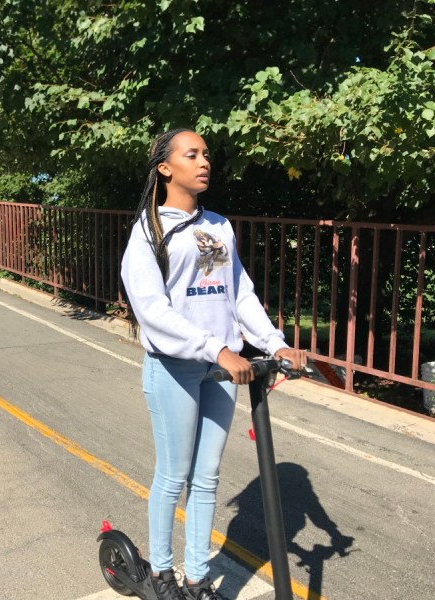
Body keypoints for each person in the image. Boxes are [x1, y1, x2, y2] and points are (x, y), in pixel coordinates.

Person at [120, 129, 305, 600]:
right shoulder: (148, 230)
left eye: (207, 154)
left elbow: (238, 292)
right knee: (174, 474)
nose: (204, 161)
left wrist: (274, 344)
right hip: (176, 368)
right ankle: (161, 575)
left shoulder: (220, 226)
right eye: (192, 154)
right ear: (166, 168)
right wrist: (214, 347)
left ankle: (197, 577)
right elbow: (152, 310)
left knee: (206, 478)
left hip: (221, 368)